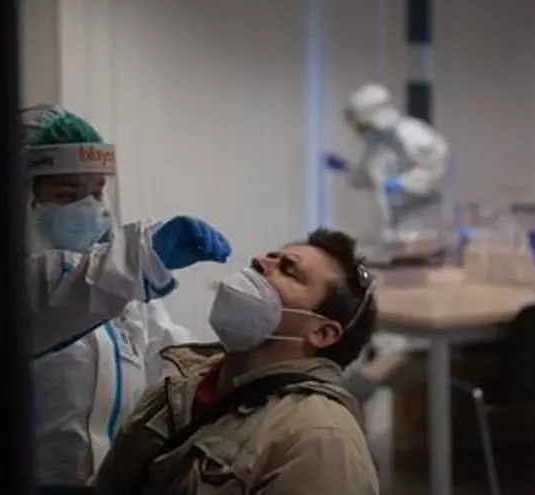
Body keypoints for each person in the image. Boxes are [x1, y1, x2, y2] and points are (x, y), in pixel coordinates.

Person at [22, 104, 232, 492]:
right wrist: (143, 255)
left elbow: (171, 358)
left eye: (97, 191)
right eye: (67, 193)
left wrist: (240, 367)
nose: (89, 207)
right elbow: (64, 293)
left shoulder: (124, 292)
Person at [94, 228, 380, 494]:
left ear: (321, 332)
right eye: (271, 256)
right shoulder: (180, 387)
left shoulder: (320, 441)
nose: (260, 261)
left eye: (288, 269)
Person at [331, 83, 448, 245]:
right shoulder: (378, 145)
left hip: (420, 222)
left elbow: (436, 166)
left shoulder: (411, 133)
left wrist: (404, 183)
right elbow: (370, 177)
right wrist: (345, 168)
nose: (359, 130)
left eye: (361, 125)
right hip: (394, 226)